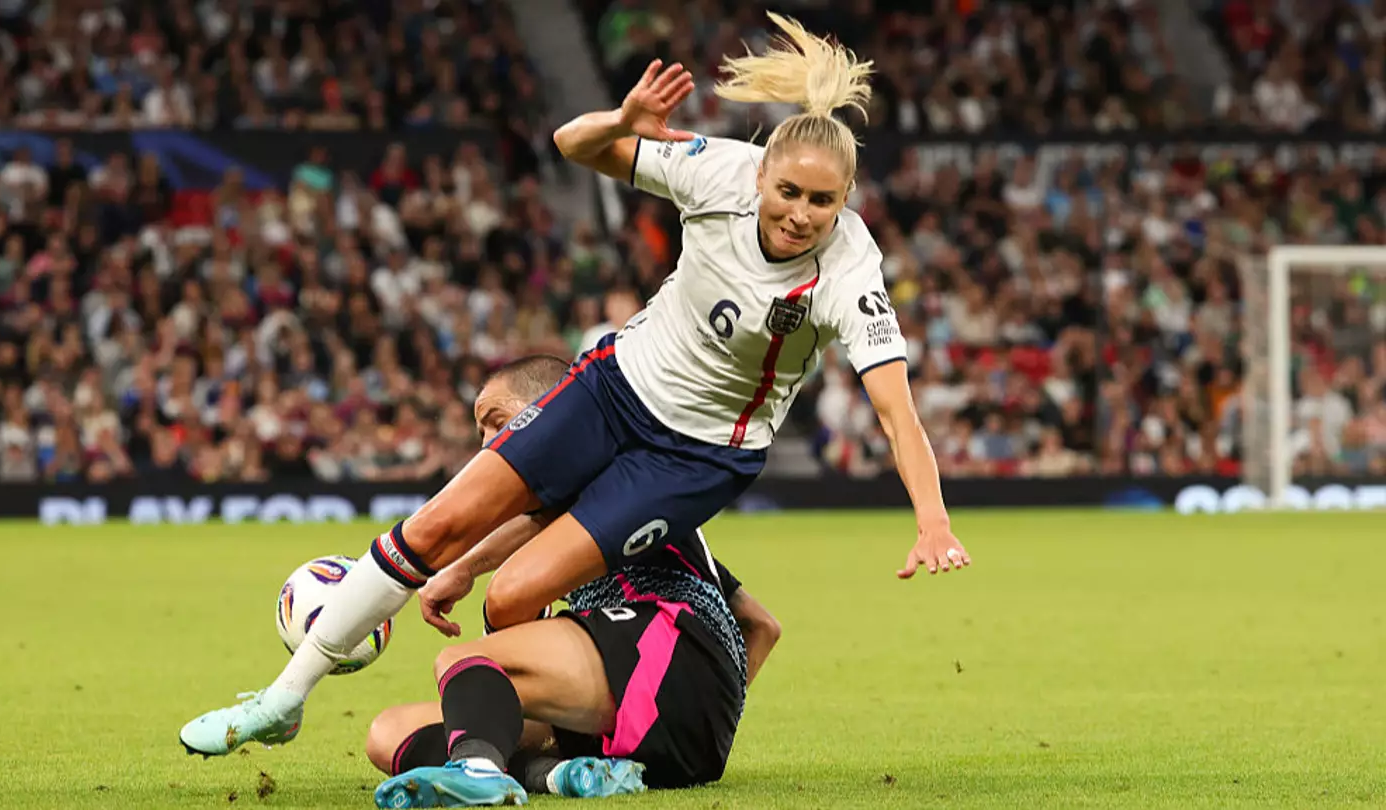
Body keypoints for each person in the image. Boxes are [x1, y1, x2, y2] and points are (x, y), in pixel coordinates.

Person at [180, 11, 969, 796]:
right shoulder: (718, 172)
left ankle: (534, 750)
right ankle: (287, 697)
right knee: (437, 526)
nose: (800, 213)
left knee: (518, 594)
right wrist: (623, 122)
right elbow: (572, 145)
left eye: (822, 203)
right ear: (761, 173)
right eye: (789, 191)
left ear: (847, 201)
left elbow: (896, 413)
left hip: (695, 454)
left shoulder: (851, 272)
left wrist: (932, 519)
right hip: (613, 385)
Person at [359, 355, 782, 806]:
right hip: (656, 733)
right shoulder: (652, 517)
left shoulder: (615, 472)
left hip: (662, 651)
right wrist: (712, 722)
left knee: (461, 660)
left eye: (496, 422)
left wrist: (464, 566)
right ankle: (557, 775)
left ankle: (478, 771)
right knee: (388, 733)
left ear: (554, 413)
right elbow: (762, 626)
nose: (487, 446)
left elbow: (556, 512)